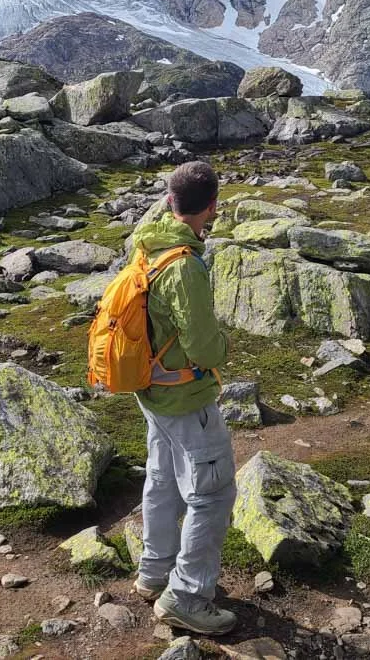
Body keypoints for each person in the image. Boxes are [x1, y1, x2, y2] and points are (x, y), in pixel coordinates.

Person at [129, 160, 237, 636]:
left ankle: (155, 572)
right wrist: (224, 346)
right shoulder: (185, 266)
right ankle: (188, 596)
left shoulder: (147, 244)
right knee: (212, 493)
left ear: (170, 201)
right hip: (184, 396)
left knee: (162, 478)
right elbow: (204, 348)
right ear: (211, 208)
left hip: (150, 388)